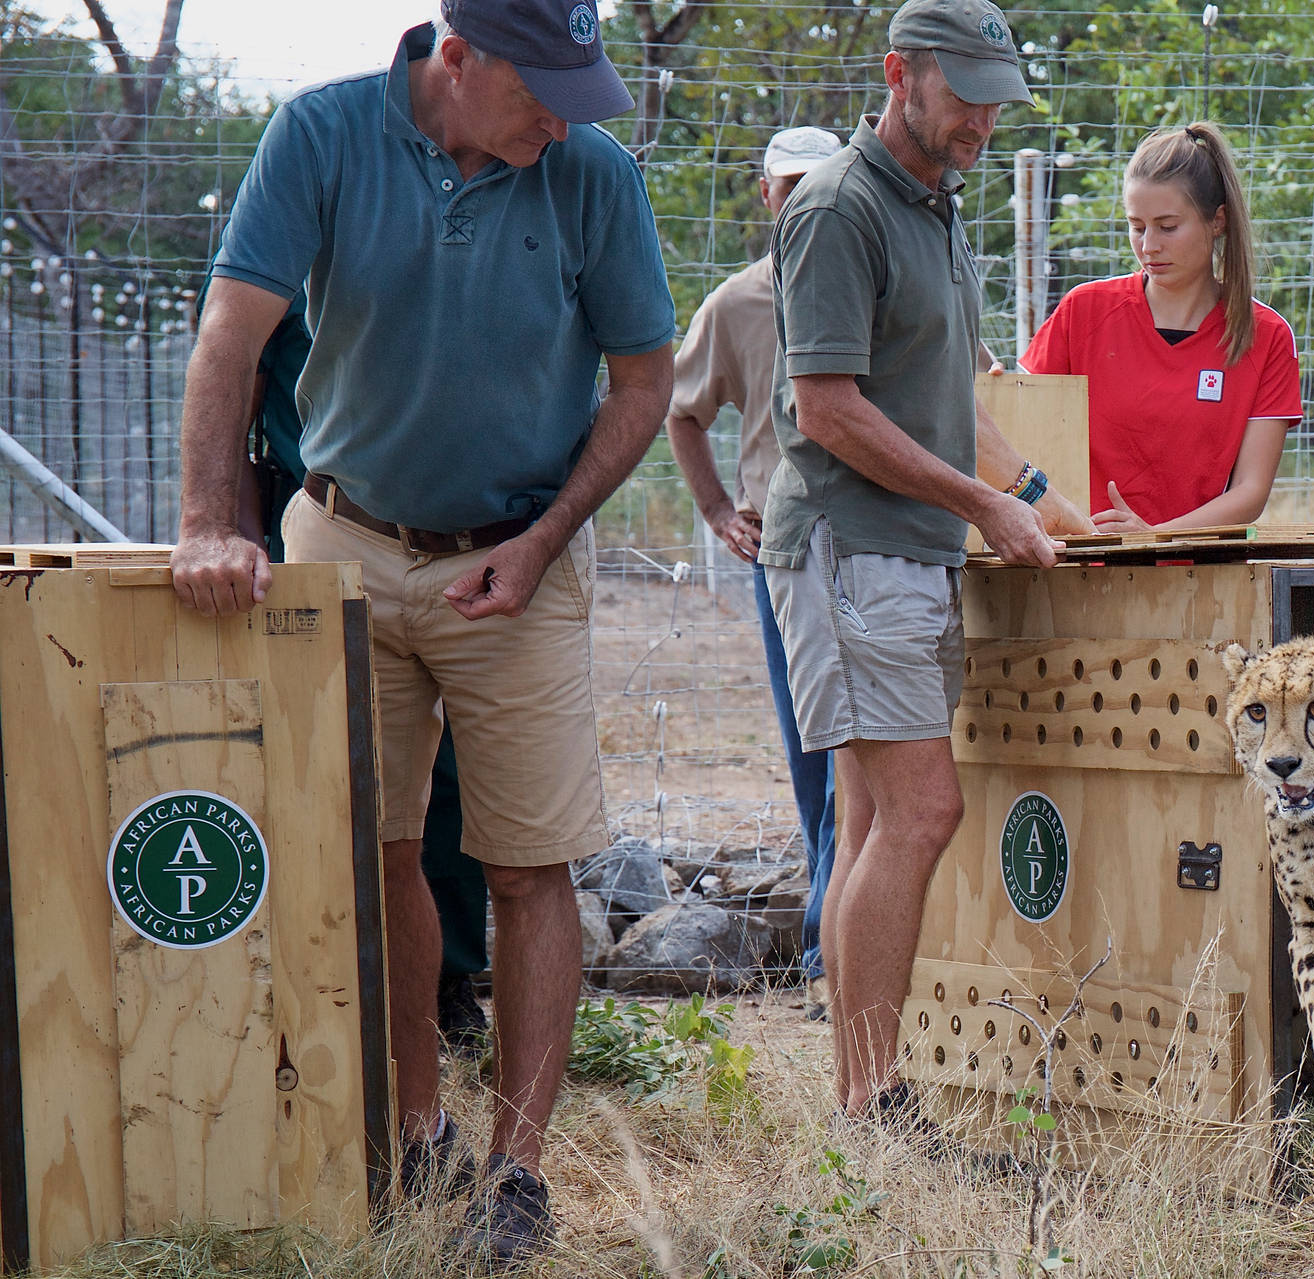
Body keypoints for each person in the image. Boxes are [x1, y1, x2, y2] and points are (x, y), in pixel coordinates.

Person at [169, 0, 675, 1262]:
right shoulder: (322, 134)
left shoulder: (592, 174)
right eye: (541, 88)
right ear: (457, 60)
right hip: (343, 538)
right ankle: (413, 1138)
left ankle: (515, 1176)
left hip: (516, 552)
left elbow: (647, 382)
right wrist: (205, 522)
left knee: (527, 864)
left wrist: (545, 538)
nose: (565, 116)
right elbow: (232, 331)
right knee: (376, 854)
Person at [759, 0, 1090, 1120]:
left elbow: (946, 402)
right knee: (921, 816)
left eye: (997, 102)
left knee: (869, 824)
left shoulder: (935, 207)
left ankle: (863, 1103)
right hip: (852, 552)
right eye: (966, 99)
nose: (984, 123)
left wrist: (1047, 499)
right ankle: (881, 1094)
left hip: (906, 554)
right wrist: (981, 506)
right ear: (901, 75)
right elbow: (830, 409)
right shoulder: (839, 210)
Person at [202, 275, 495, 1060]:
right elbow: (236, 396)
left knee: (452, 776)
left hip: (448, 539)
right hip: (311, 532)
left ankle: (452, 981)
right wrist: (242, 537)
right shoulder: (273, 256)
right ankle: (322, 977)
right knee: (325, 765)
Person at [666, 125, 843, 1022]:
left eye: (824, 180)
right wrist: (715, 511)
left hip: (881, 538)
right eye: (790, 184)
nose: (805, 196)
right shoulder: (737, 306)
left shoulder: (874, 276)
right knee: (817, 752)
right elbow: (681, 411)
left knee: (872, 755)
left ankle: (833, 950)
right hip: (785, 549)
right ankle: (826, 953)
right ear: (768, 195)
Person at [1020, 121, 1302, 532]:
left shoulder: (1267, 335)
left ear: (1218, 221)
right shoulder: (1083, 310)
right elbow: (1024, 437)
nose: (1149, 246)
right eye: (1137, 226)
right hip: (1075, 568)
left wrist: (1155, 538)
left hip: (1196, 580)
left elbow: (1250, 493)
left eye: (1168, 227)